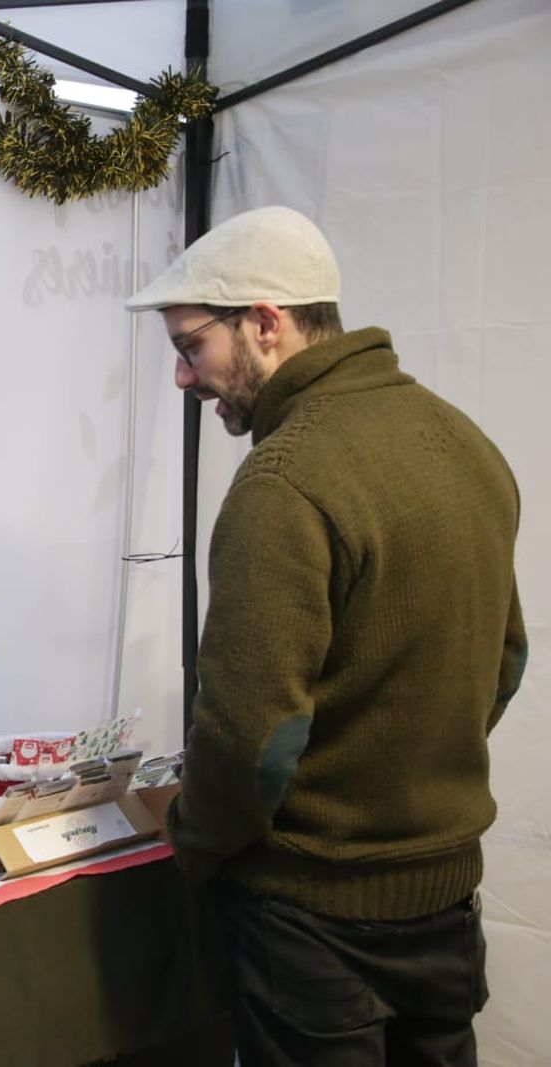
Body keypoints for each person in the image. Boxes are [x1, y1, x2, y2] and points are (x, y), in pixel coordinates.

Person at [126, 205, 526, 1065]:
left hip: (311, 917)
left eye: (191, 347)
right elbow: (503, 662)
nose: (183, 378)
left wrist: (192, 834)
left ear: (266, 323)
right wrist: (404, 776)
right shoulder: (467, 444)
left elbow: (252, 740)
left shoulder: (283, 482)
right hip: (445, 897)